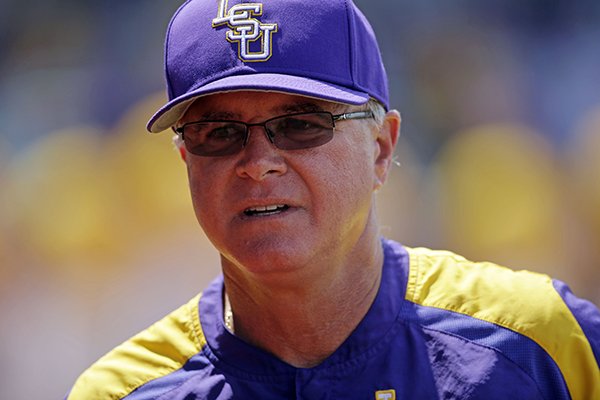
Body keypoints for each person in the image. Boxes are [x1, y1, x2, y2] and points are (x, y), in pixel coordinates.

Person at [66, 0, 600, 398]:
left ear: (381, 148)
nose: (258, 162)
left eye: (300, 124)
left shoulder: (539, 342)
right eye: (218, 133)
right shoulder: (124, 392)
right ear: (187, 162)